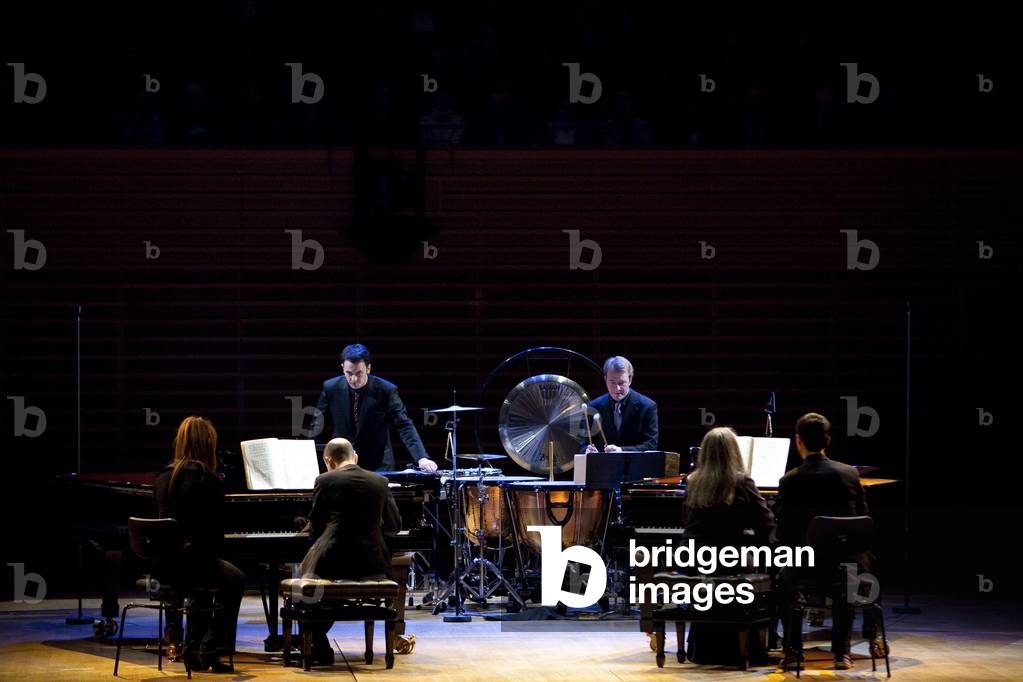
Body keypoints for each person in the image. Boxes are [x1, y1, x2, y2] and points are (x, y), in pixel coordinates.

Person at [774, 412, 871, 671]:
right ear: (827, 440)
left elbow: (783, 532)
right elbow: (863, 521)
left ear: (798, 441)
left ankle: (793, 652)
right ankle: (842, 654)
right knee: (846, 577)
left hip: (805, 565)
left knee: (783, 579)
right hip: (846, 563)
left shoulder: (790, 480)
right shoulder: (849, 474)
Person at [298, 438, 402, 666]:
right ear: (355, 458)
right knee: (326, 588)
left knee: (305, 589)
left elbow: (315, 529)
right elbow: (394, 526)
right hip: (372, 564)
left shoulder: (324, 480)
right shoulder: (380, 481)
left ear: (328, 460)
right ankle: (317, 642)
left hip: (332, 561)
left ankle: (315, 644)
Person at [153, 416, 244, 673]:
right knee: (234, 579)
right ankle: (210, 648)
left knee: (205, 574)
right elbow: (214, 537)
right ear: (208, 445)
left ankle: (190, 645)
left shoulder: (163, 477)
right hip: (194, 564)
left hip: (164, 566)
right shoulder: (209, 481)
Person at [681, 426, 775, 665]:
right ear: (734, 452)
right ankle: (751, 645)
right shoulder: (741, 481)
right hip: (729, 558)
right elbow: (766, 522)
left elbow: (687, 522)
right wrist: (754, 546)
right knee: (771, 574)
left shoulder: (692, 481)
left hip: (694, 558)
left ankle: (702, 648)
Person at [311, 344, 437, 472]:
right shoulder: (331, 388)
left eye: (359, 373)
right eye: (349, 373)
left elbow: (404, 424)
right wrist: (309, 458)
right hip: (342, 461)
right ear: (343, 368)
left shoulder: (386, 390)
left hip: (378, 463)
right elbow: (318, 425)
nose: (353, 379)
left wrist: (421, 458)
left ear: (368, 368)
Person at [582, 356, 658, 453]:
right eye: (612, 382)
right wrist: (588, 450)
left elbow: (650, 445)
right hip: (604, 466)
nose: (617, 388)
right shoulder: (593, 407)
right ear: (605, 379)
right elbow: (583, 444)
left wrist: (621, 450)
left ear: (630, 380)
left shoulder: (647, 406)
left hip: (635, 466)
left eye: (621, 383)